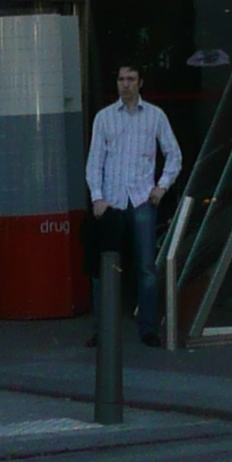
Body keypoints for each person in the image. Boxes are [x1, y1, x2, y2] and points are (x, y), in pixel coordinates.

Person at [85, 61, 182, 347]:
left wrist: (161, 187)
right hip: (112, 201)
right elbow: (95, 162)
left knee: (145, 267)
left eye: (130, 79)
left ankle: (148, 328)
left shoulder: (155, 116)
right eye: (121, 79)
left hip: (141, 198)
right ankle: (102, 329)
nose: (125, 84)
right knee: (104, 268)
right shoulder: (104, 118)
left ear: (140, 83)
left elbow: (174, 154)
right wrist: (97, 197)